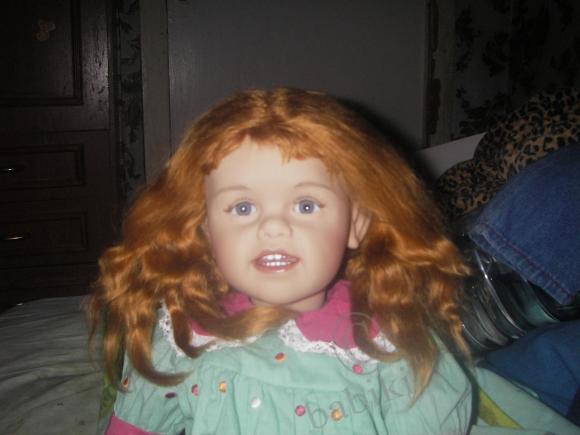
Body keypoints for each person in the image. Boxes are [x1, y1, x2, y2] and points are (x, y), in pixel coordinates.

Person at [88, 88, 577, 434]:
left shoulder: (389, 338)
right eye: (242, 207)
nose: (272, 227)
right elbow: (136, 421)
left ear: (356, 224)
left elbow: (431, 419)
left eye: (305, 205)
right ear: (203, 228)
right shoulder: (186, 334)